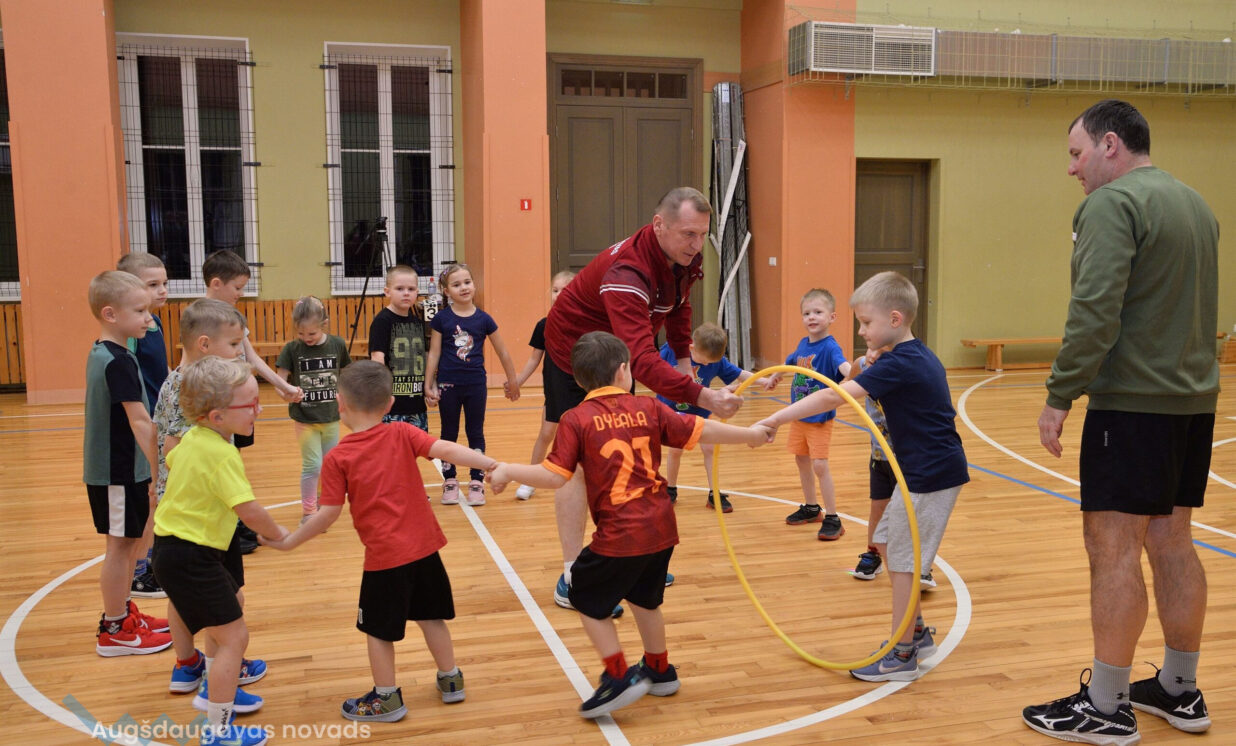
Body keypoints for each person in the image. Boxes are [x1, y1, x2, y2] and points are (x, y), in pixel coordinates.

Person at [1022, 99, 1218, 744]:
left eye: (1076, 154)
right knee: (1173, 541)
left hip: (1132, 407)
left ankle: (1106, 707)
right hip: (1192, 404)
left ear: (1111, 144)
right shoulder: (1195, 204)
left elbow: (1095, 308)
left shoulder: (1112, 204)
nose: (1072, 169)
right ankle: (1179, 690)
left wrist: (1060, 394)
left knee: (1112, 550)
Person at [489, 332, 771, 719]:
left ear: (578, 379)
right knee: (644, 598)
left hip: (621, 534)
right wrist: (751, 435)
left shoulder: (575, 418)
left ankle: (618, 675)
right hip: (662, 528)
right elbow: (699, 428)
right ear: (624, 371)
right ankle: (659, 668)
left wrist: (507, 469)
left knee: (583, 593)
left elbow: (554, 476)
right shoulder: (649, 407)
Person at [260, 360, 501, 723]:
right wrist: (491, 464)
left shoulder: (338, 457)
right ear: (389, 404)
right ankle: (451, 678)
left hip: (385, 559)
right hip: (425, 549)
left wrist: (290, 541)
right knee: (432, 617)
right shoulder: (402, 431)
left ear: (340, 403)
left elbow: (327, 514)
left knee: (377, 630)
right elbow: (448, 450)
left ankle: (386, 699)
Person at [756, 272, 966, 682]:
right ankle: (916, 632)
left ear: (894, 319)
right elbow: (853, 373)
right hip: (920, 470)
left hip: (930, 474)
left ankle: (901, 654)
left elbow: (833, 394)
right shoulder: (906, 355)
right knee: (884, 542)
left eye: (866, 323)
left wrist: (775, 419)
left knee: (903, 562)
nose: (861, 331)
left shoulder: (901, 363)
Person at [543, 186, 743, 608]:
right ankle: (572, 575)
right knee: (578, 466)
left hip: (614, 356)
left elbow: (679, 308)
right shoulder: (627, 275)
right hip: (574, 356)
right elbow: (643, 358)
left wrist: (685, 362)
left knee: (626, 451)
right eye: (688, 234)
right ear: (659, 226)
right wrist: (703, 395)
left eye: (701, 235)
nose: (696, 245)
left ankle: (628, 560)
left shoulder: (683, 256)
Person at [152, 356, 284, 746]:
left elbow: (171, 457)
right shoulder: (223, 454)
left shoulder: (195, 438)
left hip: (181, 549)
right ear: (217, 416)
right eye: (251, 404)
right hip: (191, 555)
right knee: (233, 638)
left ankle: (216, 690)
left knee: (230, 611)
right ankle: (219, 731)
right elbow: (249, 510)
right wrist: (279, 534)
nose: (259, 410)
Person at [154, 299, 268, 701]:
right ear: (205, 344)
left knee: (213, 597)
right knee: (208, 602)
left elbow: (168, 446)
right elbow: (170, 444)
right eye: (234, 344)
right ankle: (208, 671)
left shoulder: (201, 386)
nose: (240, 352)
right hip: (195, 517)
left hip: (199, 514)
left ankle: (207, 667)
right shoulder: (190, 389)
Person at [84, 271, 172, 657]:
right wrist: (161, 466)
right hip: (116, 472)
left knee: (129, 544)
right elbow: (139, 421)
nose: (148, 319)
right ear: (110, 314)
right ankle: (115, 628)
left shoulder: (112, 353)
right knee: (120, 549)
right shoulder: (116, 361)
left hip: (123, 470)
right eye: (139, 311)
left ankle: (123, 613)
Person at [202, 250, 302, 553]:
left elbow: (252, 357)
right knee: (217, 460)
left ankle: (236, 519)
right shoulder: (200, 316)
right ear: (216, 283)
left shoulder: (234, 316)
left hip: (238, 401)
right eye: (237, 287)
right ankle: (227, 521)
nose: (241, 294)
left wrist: (283, 385)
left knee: (233, 459)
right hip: (218, 403)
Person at [425, 262, 520, 506]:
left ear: (474, 285)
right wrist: (429, 383)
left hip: (475, 384)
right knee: (448, 433)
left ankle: (477, 481)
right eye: (457, 284)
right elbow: (434, 353)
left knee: (475, 431)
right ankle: (450, 480)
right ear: (447, 291)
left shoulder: (484, 319)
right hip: (448, 385)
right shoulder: (441, 319)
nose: (464, 287)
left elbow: (503, 351)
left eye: (467, 282)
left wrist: (513, 380)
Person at [846, 349, 940, 589]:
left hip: (910, 457)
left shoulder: (903, 369)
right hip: (879, 455)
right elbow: (845, 387)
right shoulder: (862, 366)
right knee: (878, 507)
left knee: (911, 512)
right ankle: (873, 554)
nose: (874, 354)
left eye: (882, 350)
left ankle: (921, 565)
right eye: (871, 347)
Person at [763, 289, 851, 540]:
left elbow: (844, 367)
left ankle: (833, 517)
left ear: (832, 317)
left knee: (820, 465)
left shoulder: (830, 347)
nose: (811, 317)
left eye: (818, 312)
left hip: (819, 419)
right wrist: (775, 376)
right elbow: (789, 362)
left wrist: (853, 376)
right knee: (801, 459)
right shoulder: (803, 344)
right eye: (806, 313)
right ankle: (812, 508)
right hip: (799, 416)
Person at [657, 321, 772, 513]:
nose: (706, 365)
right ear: (692, 348)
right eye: (704, 362)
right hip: (673, 410)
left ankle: (714, 492)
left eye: (710, 363)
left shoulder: (714, 359)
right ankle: (671, 489)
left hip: (700, 409)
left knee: (709, 449)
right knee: (675, 450)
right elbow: (652, 368)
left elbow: (739, 373)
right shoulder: (671, 350)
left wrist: (764, 381)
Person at [117, 252, 172, 600]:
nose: (162, 290)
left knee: (158, 496)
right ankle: (138, 572)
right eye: (153, 285)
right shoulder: (132, 334)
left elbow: (161, 372)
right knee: (149, 497)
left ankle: (148, 563)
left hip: (160, 421)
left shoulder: (156, 323)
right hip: (142, 426)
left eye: (164, 283)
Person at [276, 296, 352, 523]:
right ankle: (309, 512)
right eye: (301, 333)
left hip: (331, 418)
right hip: (305, 419)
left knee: (328, 466)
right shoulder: (292, 349)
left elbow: (347, 374)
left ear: (324, 324)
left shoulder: (337, 345)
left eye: (312, 333)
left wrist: (348, 397)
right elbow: (279, 381)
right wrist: (287, 393)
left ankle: (322, 504)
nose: (306, 338)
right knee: (312, 465)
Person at [511, 270, 575, 501]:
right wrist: (517, 382)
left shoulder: (585, 324)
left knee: (585, 435)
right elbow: (533, 359)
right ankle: (530, 481)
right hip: (556, 389)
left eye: (564, 290)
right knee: (547, 433)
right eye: (555, 290)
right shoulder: (544, 325)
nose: (559, 294)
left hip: (581, 388)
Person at [368, 265, 431, 432]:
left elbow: (425, 357)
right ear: (387, 292)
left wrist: (430, 385)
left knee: (416, 446)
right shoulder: (382, 321)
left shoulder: (418, 323)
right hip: (391, 406)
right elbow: (377, 359)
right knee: (392, 446)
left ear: (417, 292)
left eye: (411, 289)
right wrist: (382, 393)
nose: (406, 293)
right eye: (400, 288)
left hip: (416, 405)